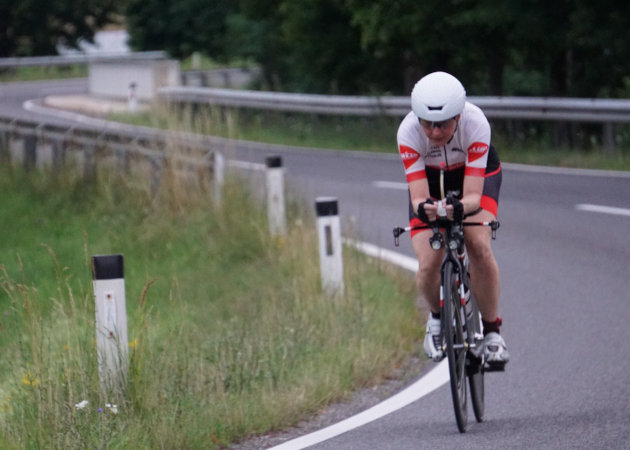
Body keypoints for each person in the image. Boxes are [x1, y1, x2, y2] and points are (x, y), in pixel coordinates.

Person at [397, 71, 509, 366]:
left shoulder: (475, 123)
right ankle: (436, 319)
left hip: (475, 174)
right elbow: (419, 197)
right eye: (428, 124)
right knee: (429, 262)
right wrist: (426, 210)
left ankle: (493, 333)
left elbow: (473, 196)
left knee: (478, 245)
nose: (434, 133)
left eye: (443, 124)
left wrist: (457, 209)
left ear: (458, 117)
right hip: (431, 181)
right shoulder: (407, 132)